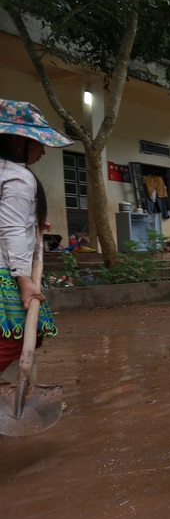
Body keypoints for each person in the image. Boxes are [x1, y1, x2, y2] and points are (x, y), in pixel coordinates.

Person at [0, 100, 67, 377]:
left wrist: (32, 221)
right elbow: (12, 229)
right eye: (38, 142)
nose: (42, 151)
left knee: (26, 335)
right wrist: (25, 281)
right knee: (12, 340)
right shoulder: (18, 178)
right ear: (18, 141)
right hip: (8, 269)